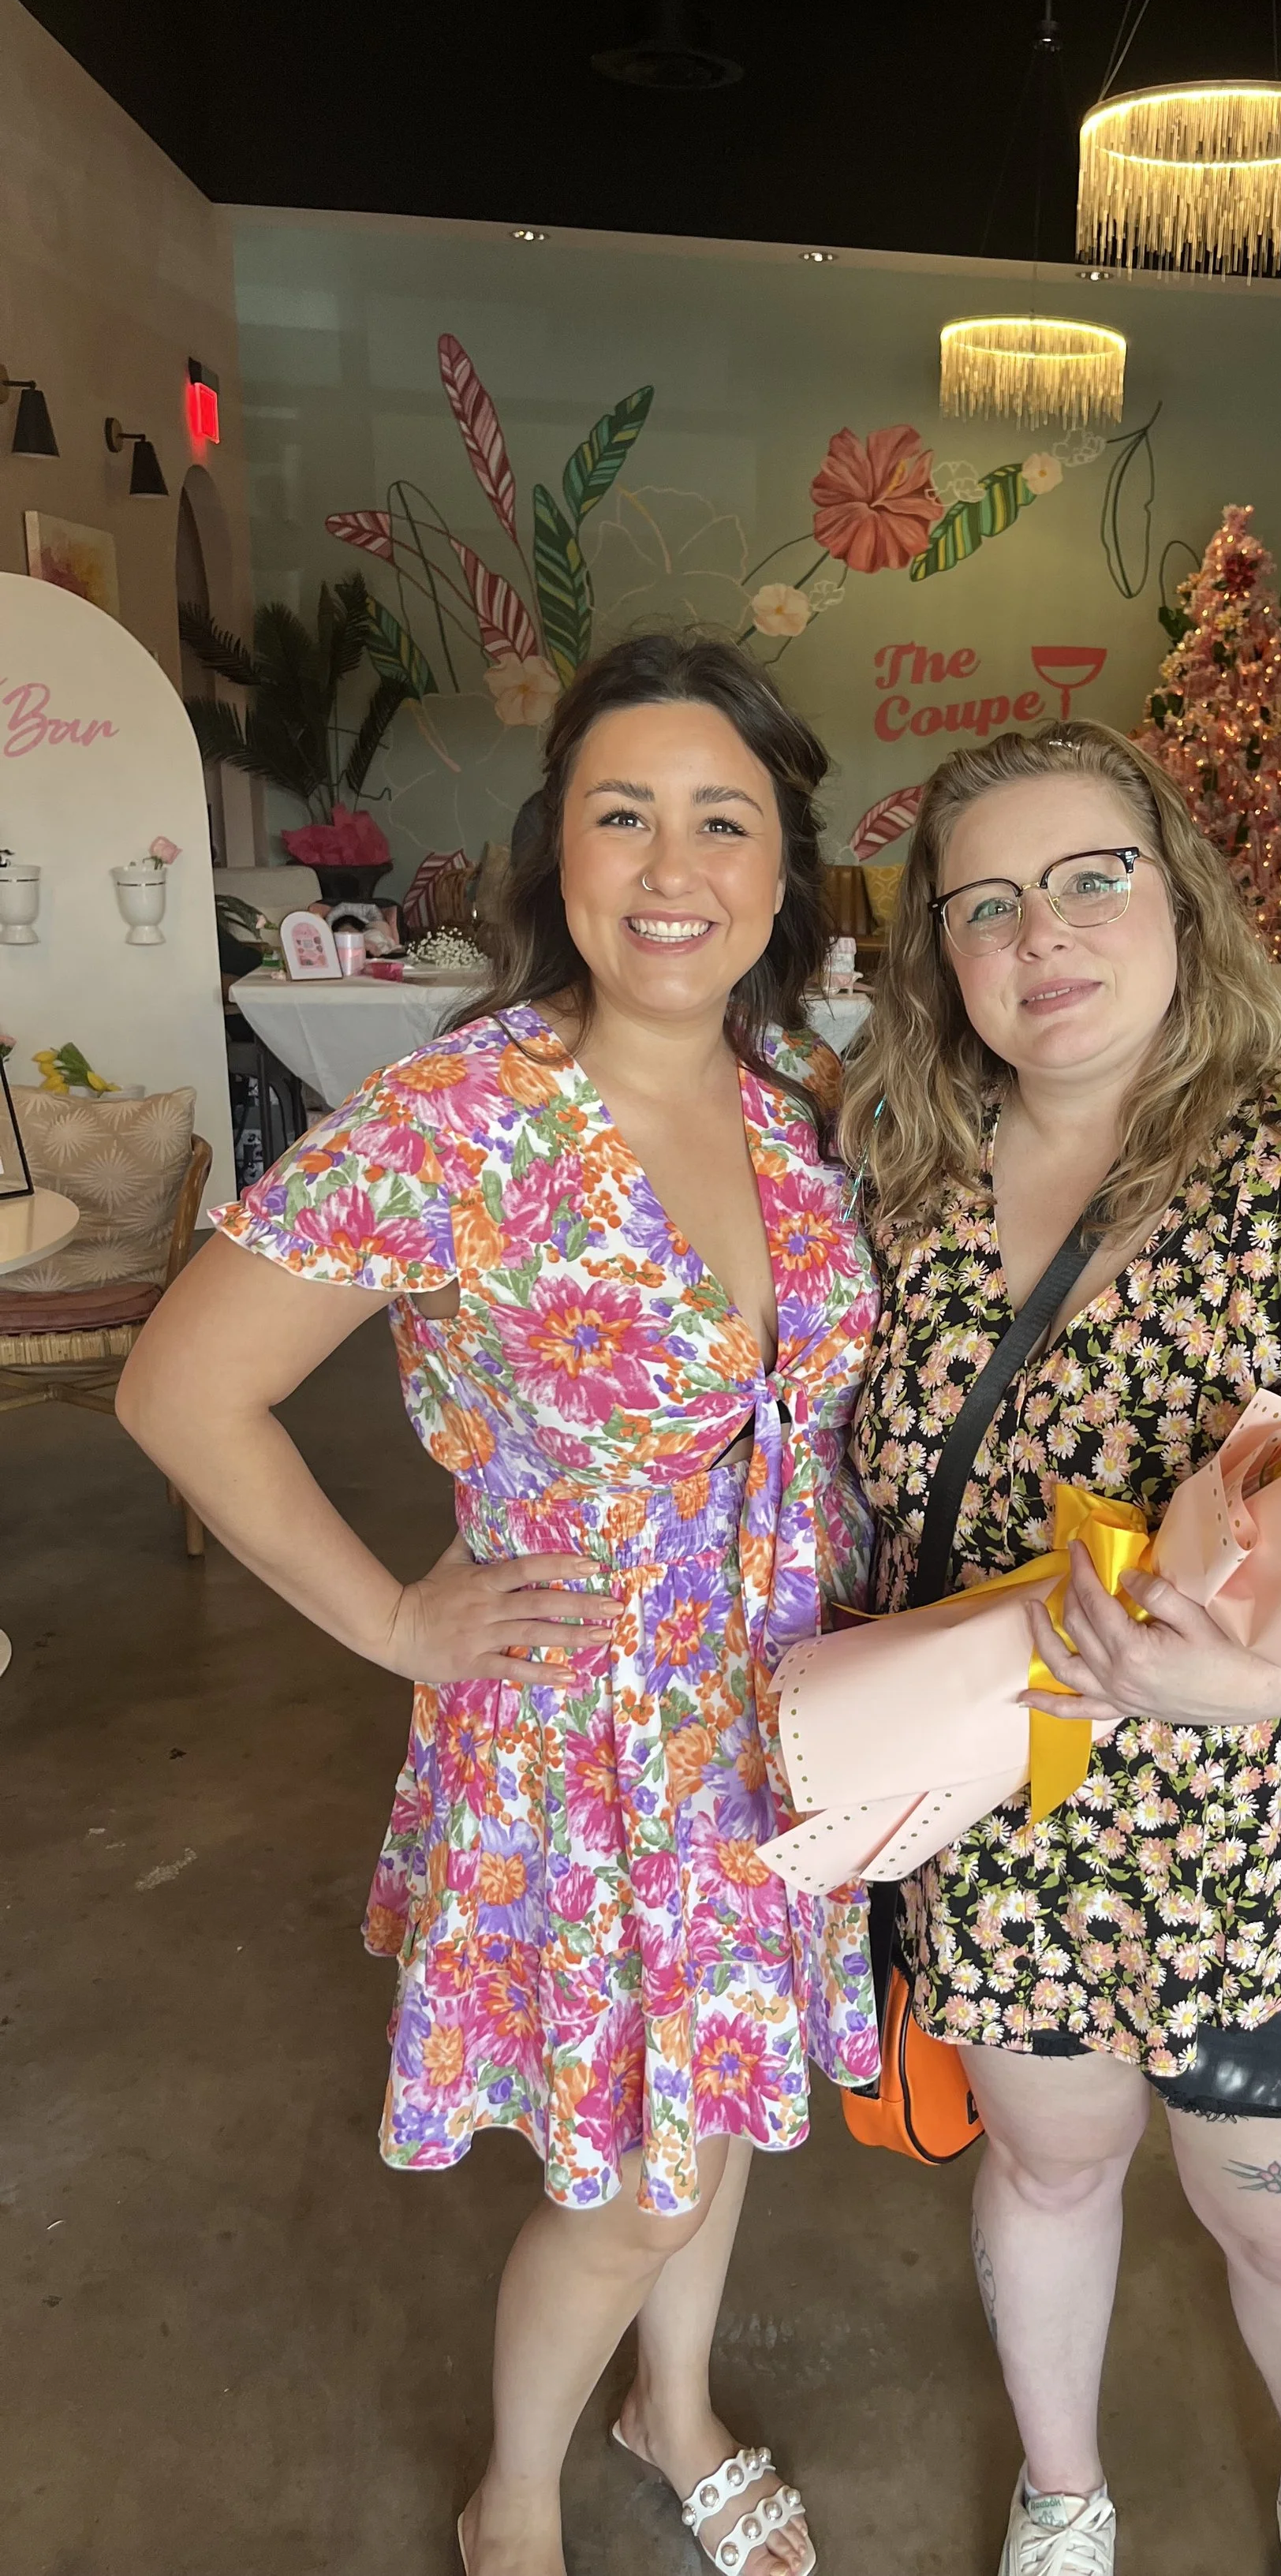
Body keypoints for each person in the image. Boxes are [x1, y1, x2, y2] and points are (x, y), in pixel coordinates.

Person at [118, 634, 877, 2576]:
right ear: (556, 857)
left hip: (783, 1714)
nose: (672, 864)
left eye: (724, 820)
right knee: (630, 2175)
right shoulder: (466, 1118)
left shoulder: (797, 1096)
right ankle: (515, 2488)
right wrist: (391, 1621)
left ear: (785, 870)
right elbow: (182, 1387)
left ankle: (675, 2403)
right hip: (589, 1742)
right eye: (622, 816)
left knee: (717, 2106)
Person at [839, 719, 1281, 2576]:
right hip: (1007, 1802)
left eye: (1085, 877)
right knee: (1047, 2165)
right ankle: (1064, 2496)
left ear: (1178, 892)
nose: (1036, 936)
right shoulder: (901, 1172)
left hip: (1277, 1837)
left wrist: (1264, 1675)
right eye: (981, 906)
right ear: (938, 959)